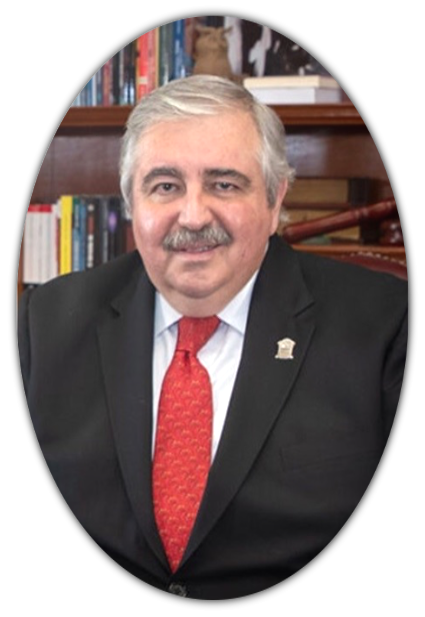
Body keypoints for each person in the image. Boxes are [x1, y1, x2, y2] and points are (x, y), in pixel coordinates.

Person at [18, 75, 408, 600]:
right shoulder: (45, 324)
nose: (194, 215)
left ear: (275, 199)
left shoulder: (384, 325)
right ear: (131, 202)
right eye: (165, 186)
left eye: (224, 184)